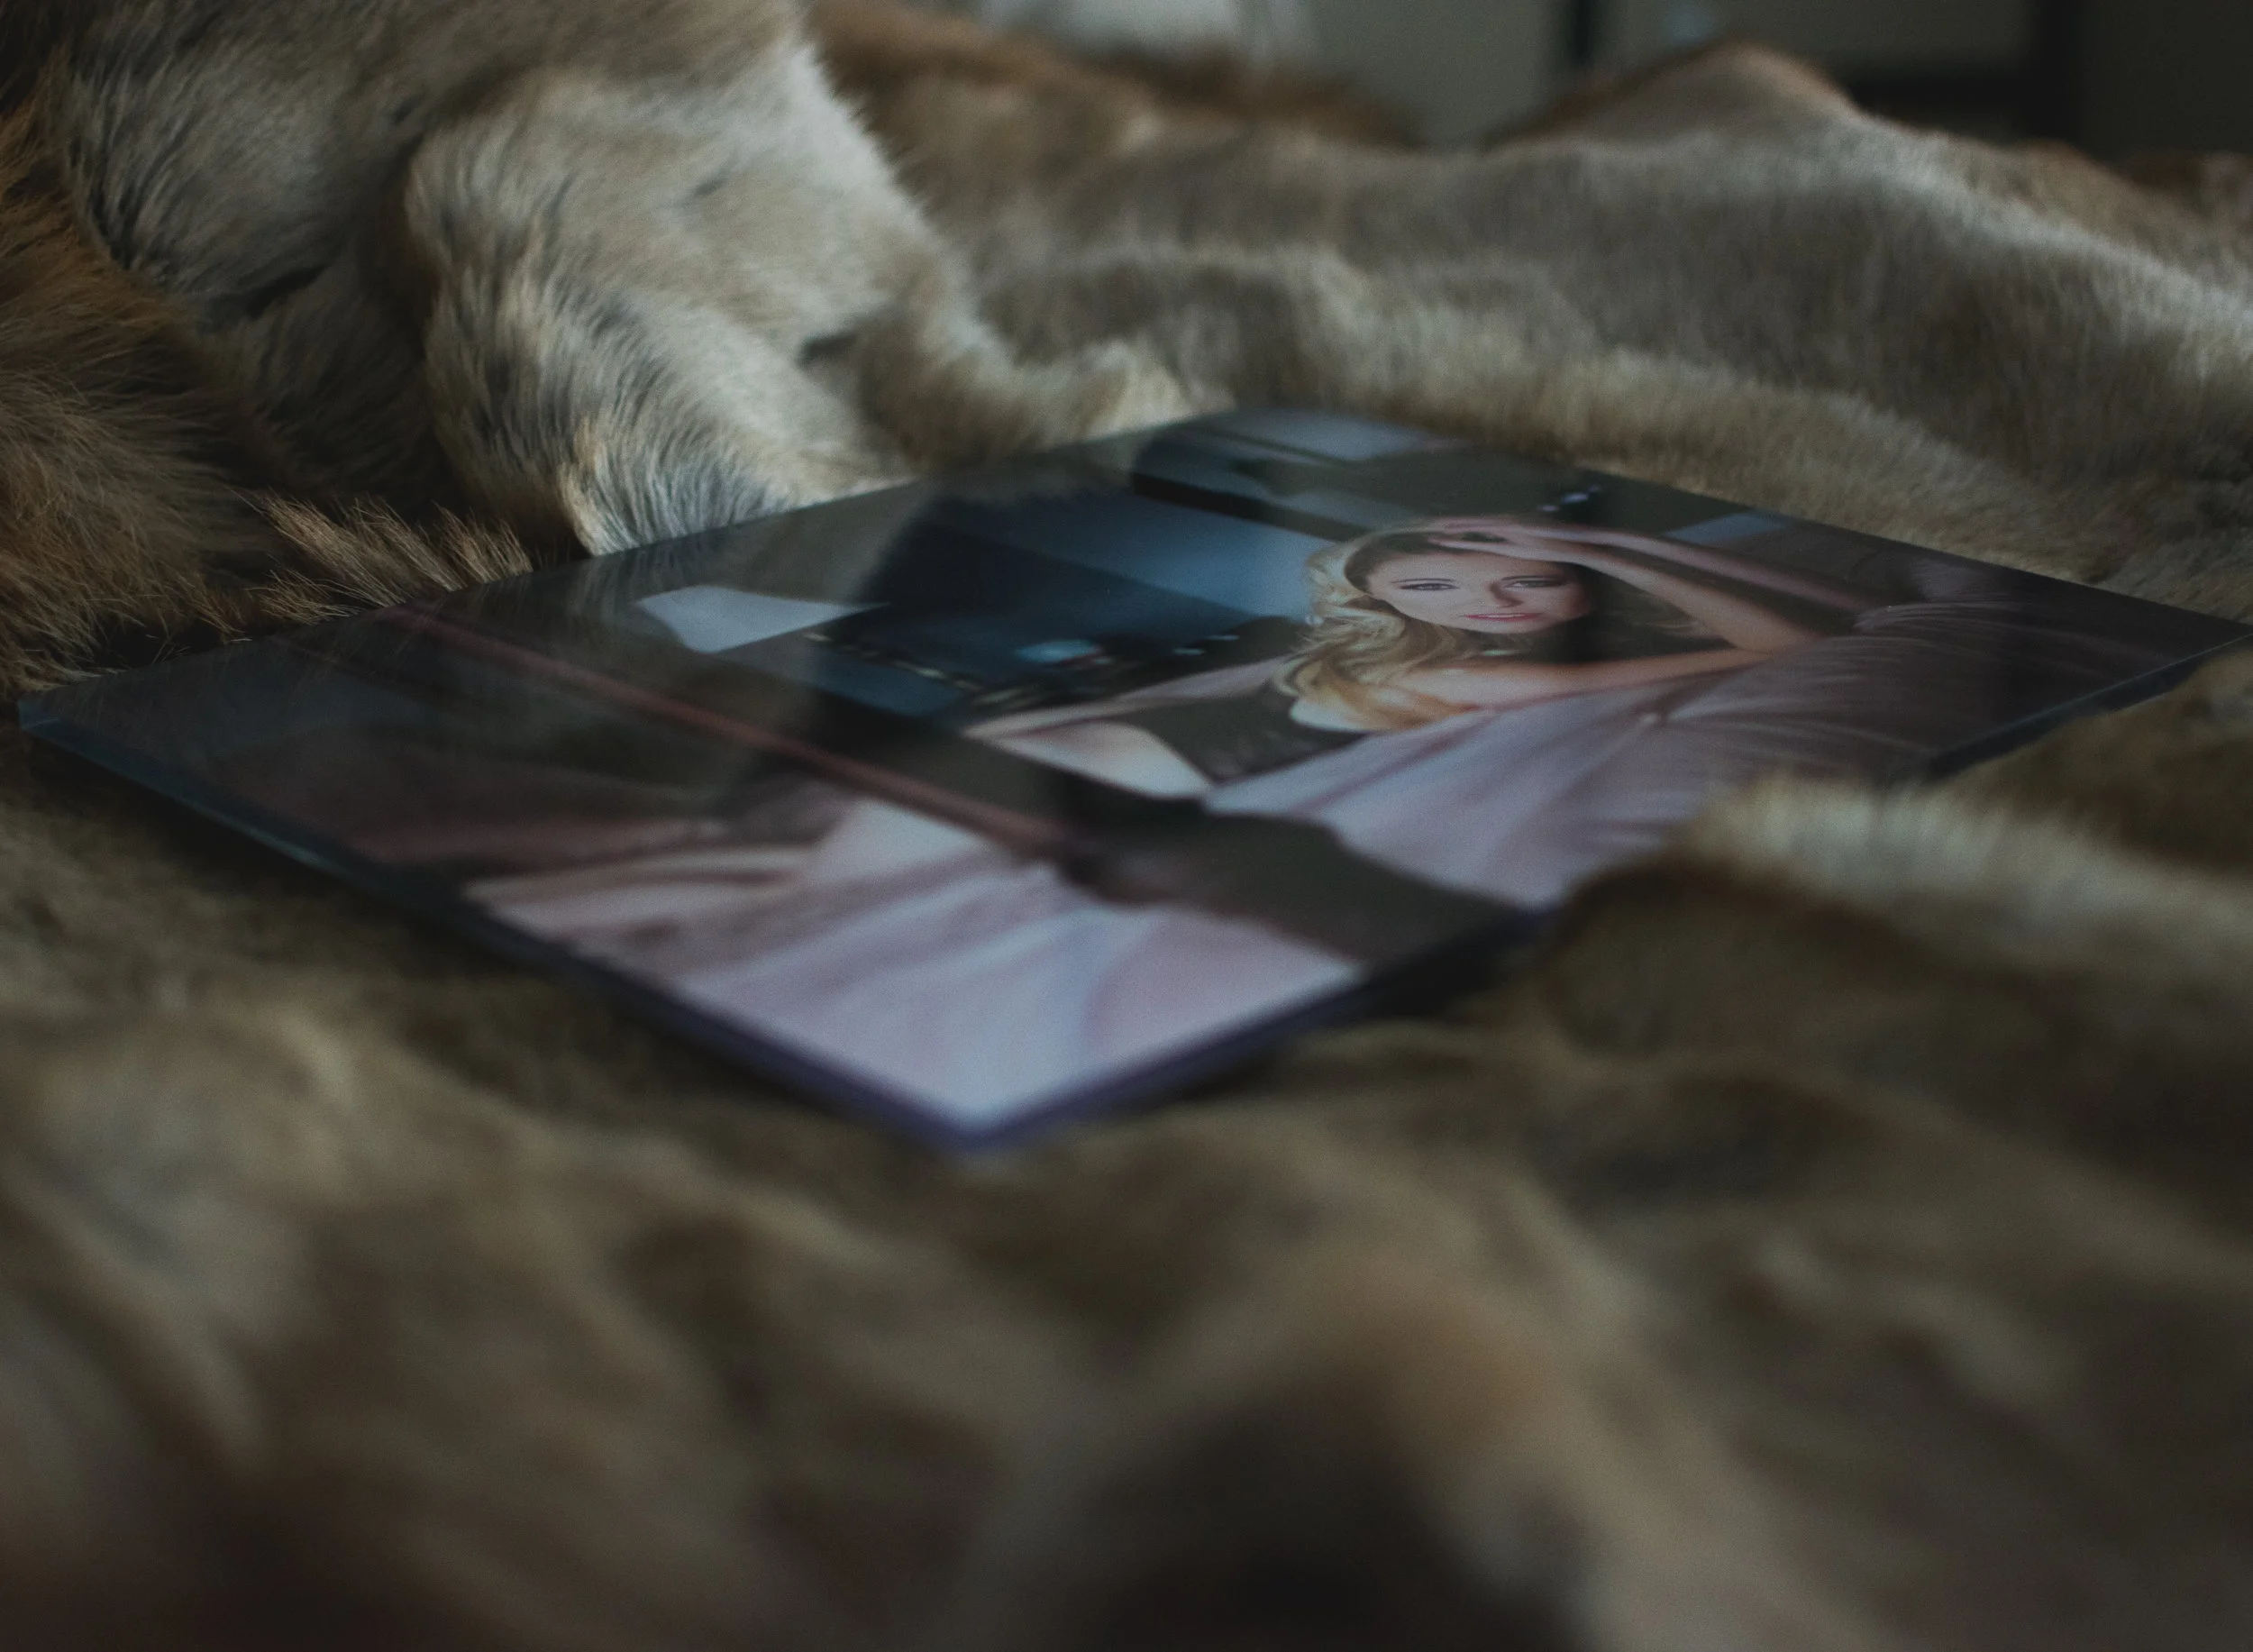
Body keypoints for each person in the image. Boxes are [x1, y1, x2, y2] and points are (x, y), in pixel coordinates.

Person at [968, 514, 1854, 796]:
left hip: (1145, 748)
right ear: (1386, 601)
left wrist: (1607, 543)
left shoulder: (1474, 652)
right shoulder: (1452, 668)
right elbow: (1793, 641)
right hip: (1143, 754)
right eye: (1428, 587)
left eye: (1533, 579)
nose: (1490, 603)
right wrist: (1598, 552)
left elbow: (1840, 614)